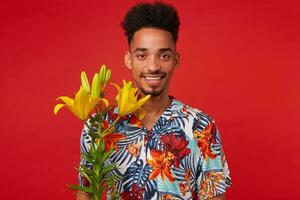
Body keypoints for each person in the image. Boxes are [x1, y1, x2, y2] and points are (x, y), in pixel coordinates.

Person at [77, 2, 231, 200]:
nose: (153, 66)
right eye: (142, 55)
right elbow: (86, 192)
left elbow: (214, 196)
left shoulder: (201, 126)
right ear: (128, 59)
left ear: (176, 59)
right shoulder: (99, 127)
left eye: (164, 55)